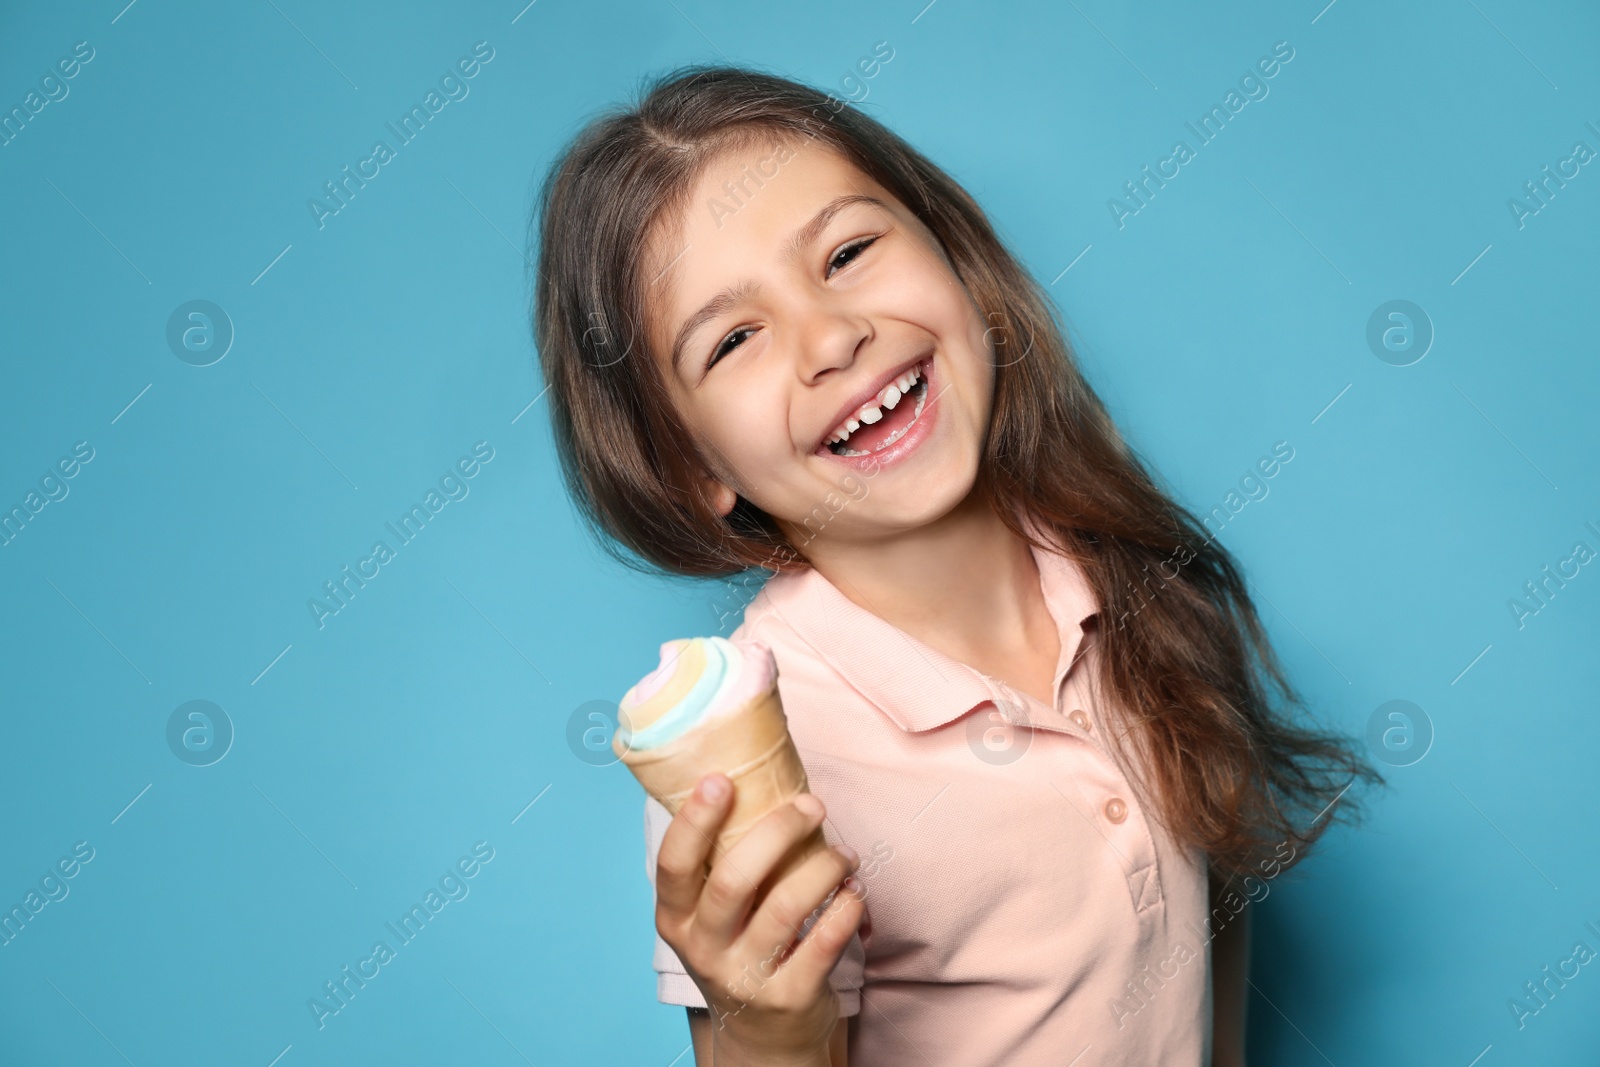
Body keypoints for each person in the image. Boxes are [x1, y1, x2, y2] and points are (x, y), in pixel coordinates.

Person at [530, 64, 1380, 1066]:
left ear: (954, 258)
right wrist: (764, 1025)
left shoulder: (1126, 566)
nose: (833, 335)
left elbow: (1213, 912)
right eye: (735, 338)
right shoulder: (770, 755)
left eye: (845, 251)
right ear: (689, 467)